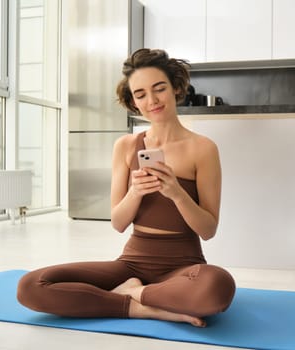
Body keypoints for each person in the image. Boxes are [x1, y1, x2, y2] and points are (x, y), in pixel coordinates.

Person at [17, 48, 236, 327]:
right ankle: (143, 306)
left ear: (176, 88)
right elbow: (118, 223)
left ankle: (133, 293)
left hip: (184, 267)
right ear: (133, 101)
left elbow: (208, 230)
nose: (152, 100)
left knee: (217, 286)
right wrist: (135, 192)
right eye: (141, 94)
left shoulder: (203, 148)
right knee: (31, 285)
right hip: (131, 264)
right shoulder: (125, 146)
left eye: (159, 89)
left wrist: (176, 193)